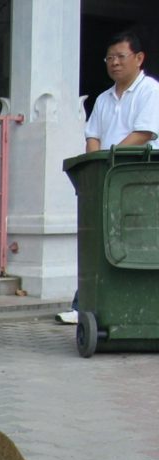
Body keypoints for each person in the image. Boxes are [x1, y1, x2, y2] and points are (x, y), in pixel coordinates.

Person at [58, 30, 159, 323]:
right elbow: (93, 137)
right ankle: (84, 306)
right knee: (98, 240)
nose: (114, 63)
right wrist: (95, 162)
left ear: (139, 59)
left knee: (134, 243)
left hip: (139, 178)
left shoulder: (150, 91)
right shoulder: (103, 99)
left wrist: (108, 156)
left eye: (120, 57)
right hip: (106, 176)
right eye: (109, 58)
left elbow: (144, 133)